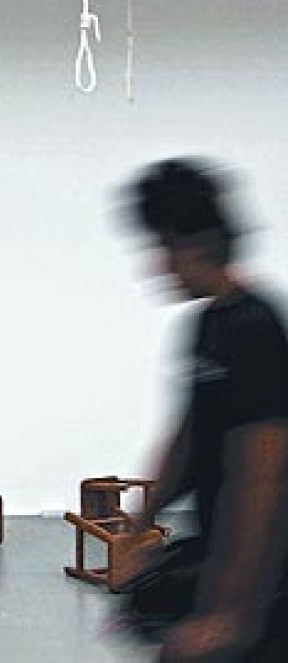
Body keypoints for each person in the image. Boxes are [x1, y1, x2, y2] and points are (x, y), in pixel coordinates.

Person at [116, 158, 288, 662]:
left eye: (166, 248)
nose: (159, 266)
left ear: (202, 242)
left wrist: (232, 611)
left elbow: (263, 474)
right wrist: (137, 529)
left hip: (268, 583)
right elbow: (187, 438)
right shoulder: (206, 327)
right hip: (222, 556)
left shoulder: (255, 328)